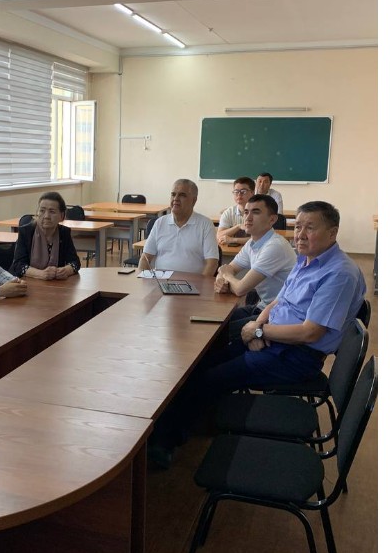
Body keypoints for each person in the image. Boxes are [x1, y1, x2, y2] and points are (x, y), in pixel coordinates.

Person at [150, 201, 366, 469]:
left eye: (310, 228)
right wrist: (258, 326)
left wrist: (260, 330)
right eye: (298, 227)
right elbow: (279, 301)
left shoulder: (339, 273)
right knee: (201, 362)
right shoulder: (306, 259)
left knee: (210, 378)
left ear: (332, 233)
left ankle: (164, 442)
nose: (300, 234)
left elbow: (310, 333)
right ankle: (186, 424)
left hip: (296, 356)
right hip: (275, 339)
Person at [213, 194, 297, 329]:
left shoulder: (275, 246)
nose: (248, 217)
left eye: (256, 212)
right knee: (214, 320)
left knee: (220, 331)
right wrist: (221, 281)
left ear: (272, 219)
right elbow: (229, 269)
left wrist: (226, 276)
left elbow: (240, 289)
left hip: (280, 314)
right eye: (246, 212)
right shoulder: (252, 242)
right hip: (262, 307)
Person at [138, 179, 219, 276]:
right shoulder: (160, 223)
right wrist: (145, 279)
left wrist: (200, 284)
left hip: (193, 283)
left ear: (194, 201)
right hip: (161, 281)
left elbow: (212, 263)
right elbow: (145, 259)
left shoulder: (205, 224)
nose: (175, 199)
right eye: (173, 194)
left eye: (182, 195)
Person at [10, 192, 81, 280]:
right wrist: (41, 274)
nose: (46, 216)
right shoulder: (26, 232)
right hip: (27, 282)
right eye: (42, 211)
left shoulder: (64, 232)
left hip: (55, 284)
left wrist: (66, 270)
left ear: (62, 216)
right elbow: (18, 265)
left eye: (52, 212)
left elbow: (75, 262)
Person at [216, 176, 255, 244]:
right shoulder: (228, 212)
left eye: (243, 191)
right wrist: (238, 226)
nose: (239, 194)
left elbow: (262, 238)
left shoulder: (259, 212)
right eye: (236, 191)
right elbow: (219, 236)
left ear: (252, 193)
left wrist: (233, 240)